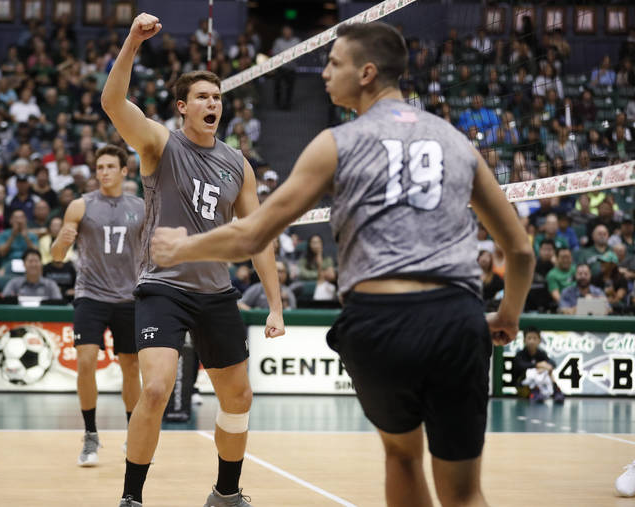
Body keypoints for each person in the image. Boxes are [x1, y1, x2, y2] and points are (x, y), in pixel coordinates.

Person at [151, 21, 534, 507]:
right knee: (464, 493)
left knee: (403, 458)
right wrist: (508, 316)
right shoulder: (457, 141)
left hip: (382, 322)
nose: (325, 73)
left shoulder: (338, 142)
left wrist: (179, 248)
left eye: (334, 63)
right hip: (458, 320)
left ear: (367, 73)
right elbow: (520, 251)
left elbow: (252, 234)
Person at [102, 13, 284, 507]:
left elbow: (259, 235)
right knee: (157, 390)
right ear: (183, 107)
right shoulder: (160, 144)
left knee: (239, 398)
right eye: (203, 97)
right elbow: (112, 103)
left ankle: (226, 493)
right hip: (163, 286)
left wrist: (275, 305)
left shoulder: (237, 163)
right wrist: (133, 42)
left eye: (218, 98)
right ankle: (131, 498)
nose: (213, 104)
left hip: (216, 292)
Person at [50, 145, 145, 467]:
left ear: (124, 171)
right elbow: (57, 256)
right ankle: (91, 435)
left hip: (129, 297)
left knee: (131, 366)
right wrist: (61, 241)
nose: (103, 171)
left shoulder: (141, 208)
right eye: (99, 166)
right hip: (90, 293)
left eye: (109, 166)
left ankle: (134, 432)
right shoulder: (80, 206)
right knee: (87, 359)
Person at [512, 327, 563, 402]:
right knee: (532, 372)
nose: (532, 341)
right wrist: (537, 365)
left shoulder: (541, 353)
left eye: (534, 338)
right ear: (524, 340)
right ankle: (534, 392)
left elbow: (552, 364)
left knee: (547, 371)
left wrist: (544, 368)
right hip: (523, 386)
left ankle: (557, 391)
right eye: (529, 338)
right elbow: (521, 366)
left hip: (541, 385)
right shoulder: (520, 354)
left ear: (539, 340)